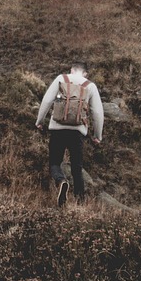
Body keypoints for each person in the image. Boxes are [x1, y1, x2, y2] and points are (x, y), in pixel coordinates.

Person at [35, 61, 104, 205]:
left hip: (57, 129)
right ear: (85, 73)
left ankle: (61, 181)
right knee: (76, 169)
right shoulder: (90, 86)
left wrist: (39, 121)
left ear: (72, 70)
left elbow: (47, 100)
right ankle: (80, 202)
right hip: (77, 132)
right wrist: (98, 136)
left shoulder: (61, 79)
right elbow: (97, 112)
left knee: (54, 162)